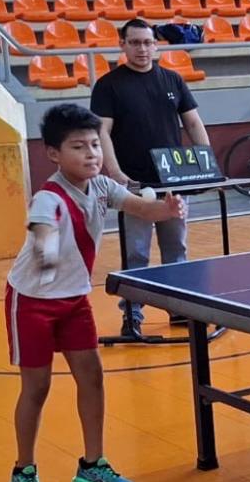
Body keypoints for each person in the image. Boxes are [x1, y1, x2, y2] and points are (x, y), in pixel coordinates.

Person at [6, 104, 187, 482]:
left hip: (74, 300)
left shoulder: (102, 186)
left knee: (92, 378)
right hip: (32, 302)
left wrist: (167, 209)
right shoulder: (47, 198)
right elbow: (42, 236)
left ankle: (92, 466)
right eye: (78, 147)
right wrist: (47, 249)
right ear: (53, 154)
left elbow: (142, 208)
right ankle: (23, 471)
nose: (91, 154)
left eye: (94, 145)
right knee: (37, 387)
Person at [90, 19, 210, 339]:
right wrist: (116, 173)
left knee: (176, 249)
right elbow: (102, 132)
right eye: (134, 42)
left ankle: (179, 307)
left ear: (156, 45)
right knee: (136, 253)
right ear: (122, 45)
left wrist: (207, 163)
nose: (142, 49)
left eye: (147, 42)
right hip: (134, 186)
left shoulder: (173, 79)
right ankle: (133, 314)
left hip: (173, 183)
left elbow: (193, 123)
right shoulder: (109, 85)